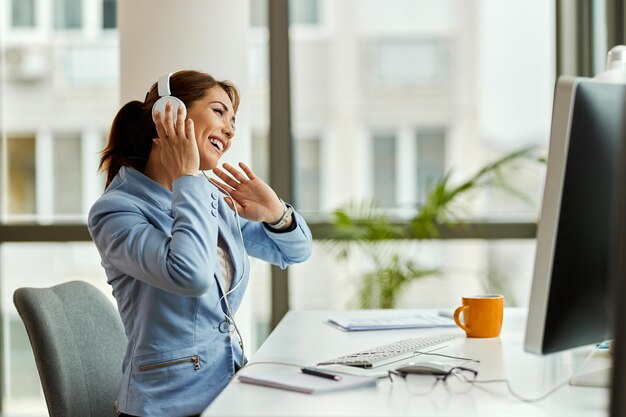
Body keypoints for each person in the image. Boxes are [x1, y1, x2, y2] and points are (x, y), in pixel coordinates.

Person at [88, 70, 312, 417]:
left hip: (227, 394)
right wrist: (187, 180)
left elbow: (295, 251)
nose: (230, 129)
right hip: (168, 406)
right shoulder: (117, 210)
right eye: (219, 111)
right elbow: (190, 276)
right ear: (170, 113)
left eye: (233, 121)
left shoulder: (209, 197)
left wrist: (276, 213)